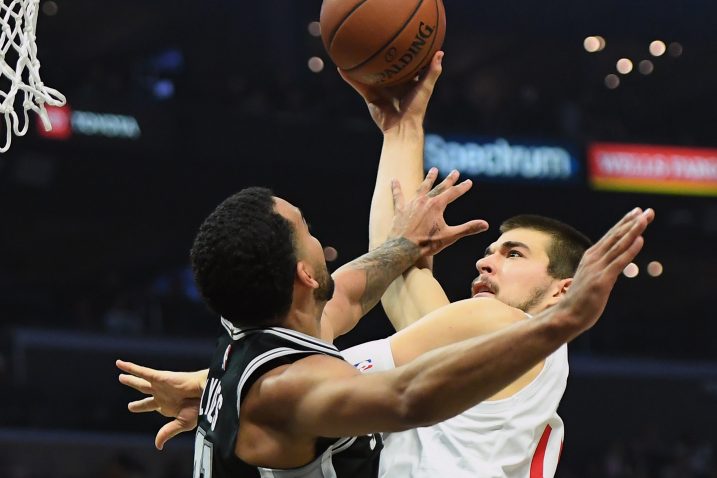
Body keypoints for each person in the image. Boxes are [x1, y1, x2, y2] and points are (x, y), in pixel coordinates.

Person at [118, 175, 653, 476]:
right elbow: (405, 399)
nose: (486, 262)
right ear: (305, 274)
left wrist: (402, 118)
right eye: (306, 228)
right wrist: (566, 320)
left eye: (511, 253)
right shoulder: (289, 386)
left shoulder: (262, 335)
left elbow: (360, 286)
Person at [338, 50, 590, 477]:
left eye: (513, 254)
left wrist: (213, 384)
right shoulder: (489, 351)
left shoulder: (501, 323)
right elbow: (393, 269)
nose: (485, 262)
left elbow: (321, 377)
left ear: (561, 290)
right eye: (489, 251)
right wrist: (402, 129)